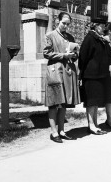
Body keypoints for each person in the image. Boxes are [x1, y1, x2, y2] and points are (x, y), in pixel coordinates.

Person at [43, 12, 80, 143]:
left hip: (67, 72)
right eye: (63, 23)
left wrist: (74, 54)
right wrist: (64, 56)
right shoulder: (50, 35)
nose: (65, 26)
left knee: (63, 103)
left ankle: (62, 130)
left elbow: (74, 54)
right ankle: (53, 132)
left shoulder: (70, 37)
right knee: (54, 103)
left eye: (68, 24)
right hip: (55, 71)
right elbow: (47, 53)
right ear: (58, 21)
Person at [78, 21, 111, 135]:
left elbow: (108, 57)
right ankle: (91, 125)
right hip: (91, 75)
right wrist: (82, 73)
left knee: (96, 101)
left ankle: (96, 124)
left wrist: (107, 42)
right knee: (91, 102)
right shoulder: (89, 38)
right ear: (95, 26)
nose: (103, 28)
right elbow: (83, 57)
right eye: (101, 26)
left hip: (100, 75)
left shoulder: (100, 39)